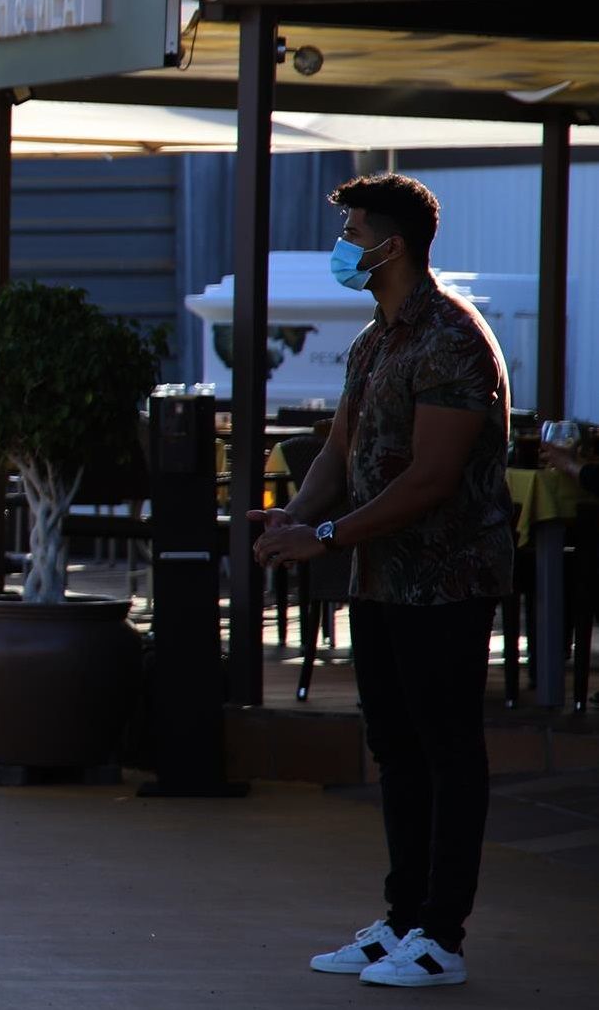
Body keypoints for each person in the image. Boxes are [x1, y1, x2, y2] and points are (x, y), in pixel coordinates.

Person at [251, 174, 511, 988]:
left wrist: (323, 535)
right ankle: (402, 918)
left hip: (447, 581)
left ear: (389, 245)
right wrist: (293, 520)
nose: (342, 247)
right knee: (396, 751)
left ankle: (442, 934)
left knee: (446, 752)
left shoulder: (452, 339)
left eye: (352, 232)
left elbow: (431, 479)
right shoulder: (377, 339)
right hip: (381, 582)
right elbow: (340, 450)